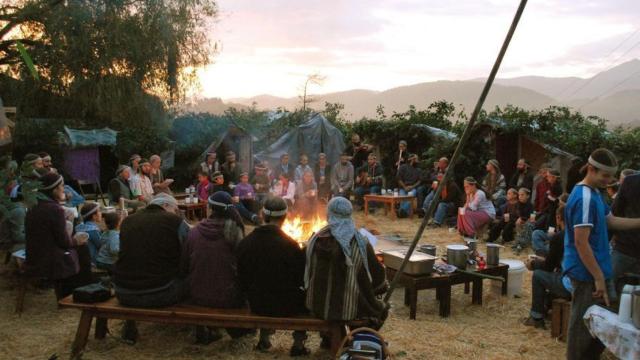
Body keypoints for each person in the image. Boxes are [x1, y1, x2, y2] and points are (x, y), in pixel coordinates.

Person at [563, 148, 640, 360]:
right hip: (586, 272)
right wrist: (598, 277)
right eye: (604, 175)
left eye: (611, 176)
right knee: (581, 328)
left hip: (597, 270)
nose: (608, 181)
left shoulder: (595, 194)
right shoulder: (584, 197)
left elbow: (611, 220)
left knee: (599, 326)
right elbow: (581, 242)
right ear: (591, 169)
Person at [237, 196, 309, 356]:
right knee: (305, 296)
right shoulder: (291, 246)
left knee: (264, 285)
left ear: (263, 215)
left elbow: (242, 278)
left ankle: (264, 339)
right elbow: (301, 280)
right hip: (287, 305)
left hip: (257, 304)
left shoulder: (246, 244)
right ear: (285, 217)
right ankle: (298, 344)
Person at [304, 197, 389, 332]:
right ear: (350, 215)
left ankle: (328, 338)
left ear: (328, 215)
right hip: (348, 310)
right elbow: (378, 280)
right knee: (378, 307)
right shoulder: (361, 243)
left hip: (317, 306)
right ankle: (356, 338)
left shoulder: (315, 240)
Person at [113, 193, 189, 343]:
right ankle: (202, 330)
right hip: (163, 292)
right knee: (196, 278)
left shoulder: (128, 221)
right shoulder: (175, 221)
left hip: (124, 292)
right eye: (175, 209)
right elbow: (188, 254)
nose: (176, 212)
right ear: (166, 206)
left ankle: (130, 324)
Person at [180, 192, 248, 344]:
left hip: (196, 295)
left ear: (210, 209)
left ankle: (210, 328)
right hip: (228, 297)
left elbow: (183, 267)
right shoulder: (235, 232)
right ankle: (233, 328)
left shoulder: (194, 232)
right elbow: (243, 269)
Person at [25, 173, 92, 299]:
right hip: (49, 258)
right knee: (83, 248)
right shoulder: (54, 209)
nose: (63, 188)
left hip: (34, 254)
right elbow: (64, 242)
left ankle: (75, 289)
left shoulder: (34, 206)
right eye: (62, 185)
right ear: (54, 189)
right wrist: (77, 240)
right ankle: (76, 292)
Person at [522, 204, 571, 329]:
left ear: (558, 218)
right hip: (584, 280)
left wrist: (533, 264)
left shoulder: (560, 237)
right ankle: (545, 307)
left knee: (538, 275)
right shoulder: (580, 233)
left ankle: (536, 317)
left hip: (571, 283)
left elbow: (549, 267)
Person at [610, 171, 640, 296]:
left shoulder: (630, 181)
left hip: (625, 247)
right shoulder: (630, 181)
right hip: (625, 247)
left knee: (609, 288)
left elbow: (615, 212)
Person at [0, 185, 26, 252]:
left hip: (10, 243)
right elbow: (17, 237)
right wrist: (35, 235)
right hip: (10, 246)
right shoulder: (19, 211)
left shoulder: (19, 207)